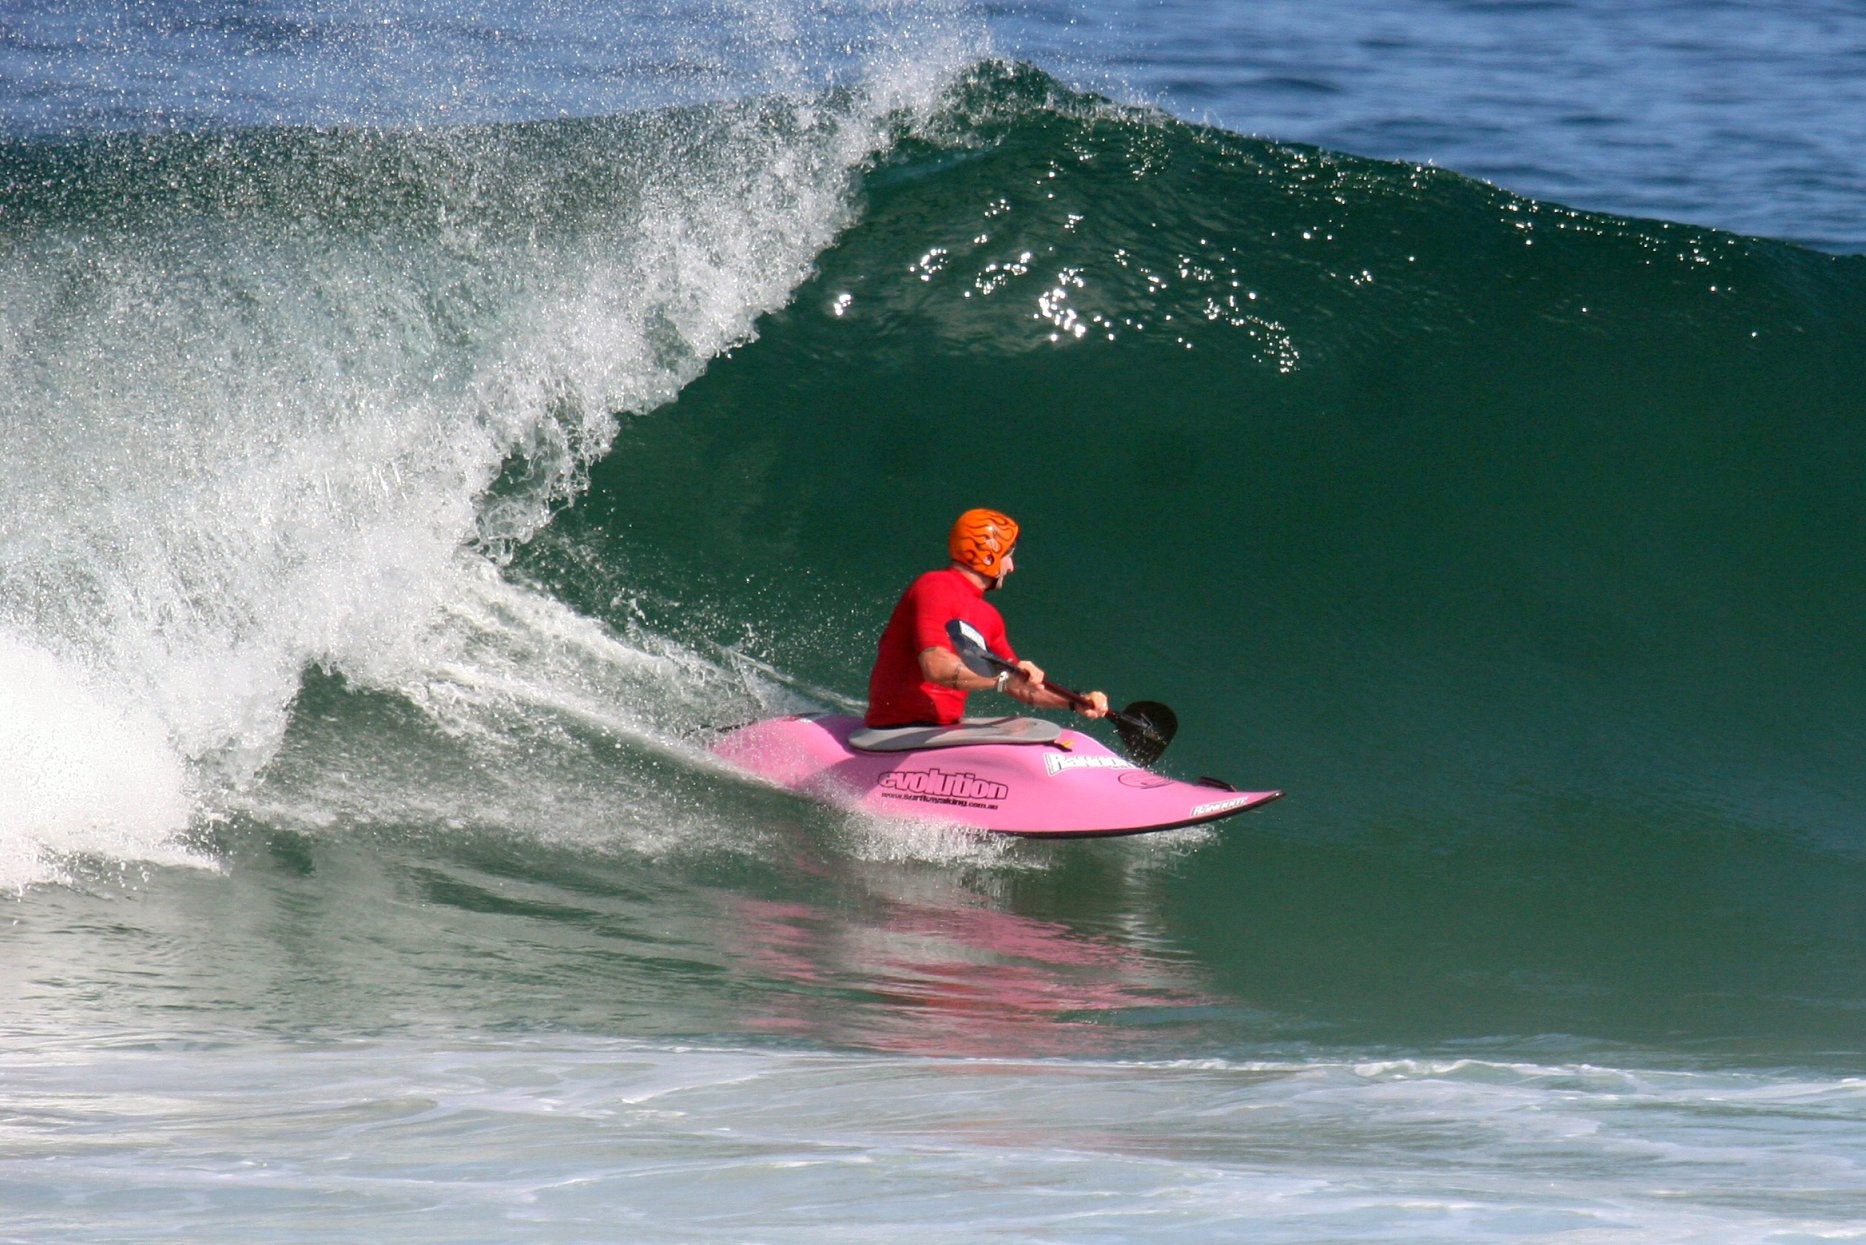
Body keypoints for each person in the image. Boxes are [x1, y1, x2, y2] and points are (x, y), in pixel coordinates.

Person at [865, 508, 1110, 728]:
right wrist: (1004, 678)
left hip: (940, 731)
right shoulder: (935, 586)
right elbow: (936, 668)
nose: (1011, 567)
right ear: (989, 555)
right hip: (896, 731)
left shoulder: (989, 616)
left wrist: (1076, 701)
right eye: (1008, 555)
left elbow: (1024, 689)